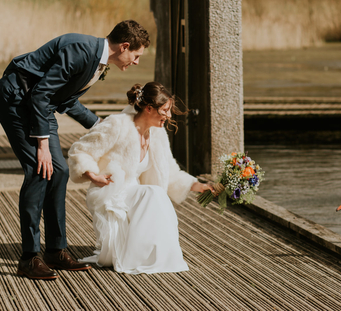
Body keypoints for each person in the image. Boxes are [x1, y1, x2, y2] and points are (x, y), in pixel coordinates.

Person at [0, 20, 150, 280]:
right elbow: (40, 95)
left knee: (59, 172)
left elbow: (65, 100)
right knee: (39, 170)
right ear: (124, 47)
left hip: (39, 104)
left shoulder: (98, 61)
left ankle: (55, 250)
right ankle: (28, 257)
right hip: (17, 100)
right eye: (136, 56)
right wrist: (42, 145)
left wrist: (102, 126)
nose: (136, 62)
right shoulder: (81, 50)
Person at [67, 82, 213, 274]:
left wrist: (199, 186)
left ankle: (157, 256)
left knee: (154, 193)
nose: (169, 116)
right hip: (112, 191)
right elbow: (80, 151)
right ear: (149, 108)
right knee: (152, 193)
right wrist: (93, 176)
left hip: (136, 193)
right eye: (165, 110)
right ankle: (143, 255)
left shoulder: (157, 134)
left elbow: (169, 172)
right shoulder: (117, 125)